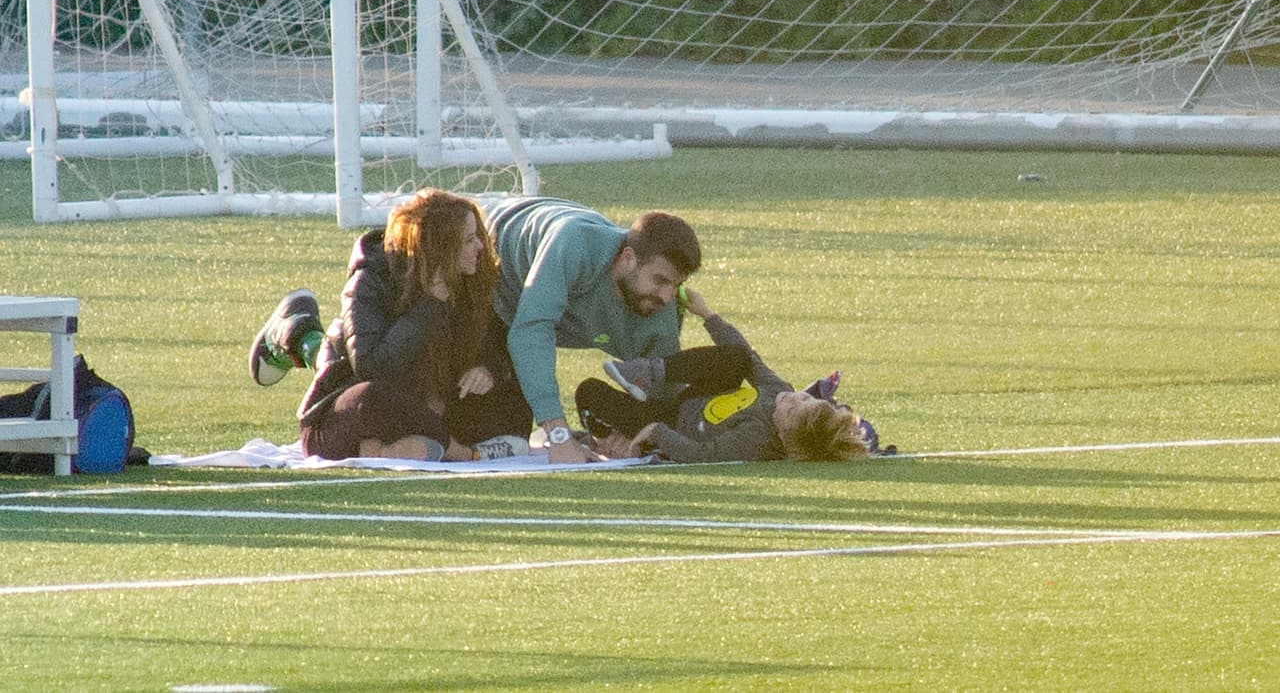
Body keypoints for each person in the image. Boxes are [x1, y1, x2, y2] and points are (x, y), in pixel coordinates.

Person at [249, 189, 533, 461]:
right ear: (439, 248)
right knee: (374, 396)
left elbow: (502, 342)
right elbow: (373, 369)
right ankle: (293, 332)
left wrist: (489, 369)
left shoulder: (472, 277)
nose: (480, 247)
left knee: (514, 403)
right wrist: (430, 304)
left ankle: (413, 445)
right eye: (469, 240)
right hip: (365, 393)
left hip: (428, 402)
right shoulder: (372, 279)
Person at [481, 195, 702, 464]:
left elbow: (667, 396)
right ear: (628, 259)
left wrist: (632, 434)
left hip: (525, 307)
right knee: (475, 430)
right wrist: (559, 434)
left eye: (676, 285)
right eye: (660, 280)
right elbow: (530, 331)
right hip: (484, 260)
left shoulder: (660, 305)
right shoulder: (574, 244)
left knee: (511, 438)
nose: (667, 297)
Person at [574, 287, 891, 463]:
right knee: (738, 358)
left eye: (794, 408)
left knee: (589, 392)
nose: (794, 395)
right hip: (689, 398)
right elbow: (748, 357)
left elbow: (703, 455)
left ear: (786, 435)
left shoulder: (755, 439)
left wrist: (655, 432)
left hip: (669, 422)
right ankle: (650, 372)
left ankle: (601, 439)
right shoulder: (776, 391)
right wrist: (709, 315)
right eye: (804, 397)